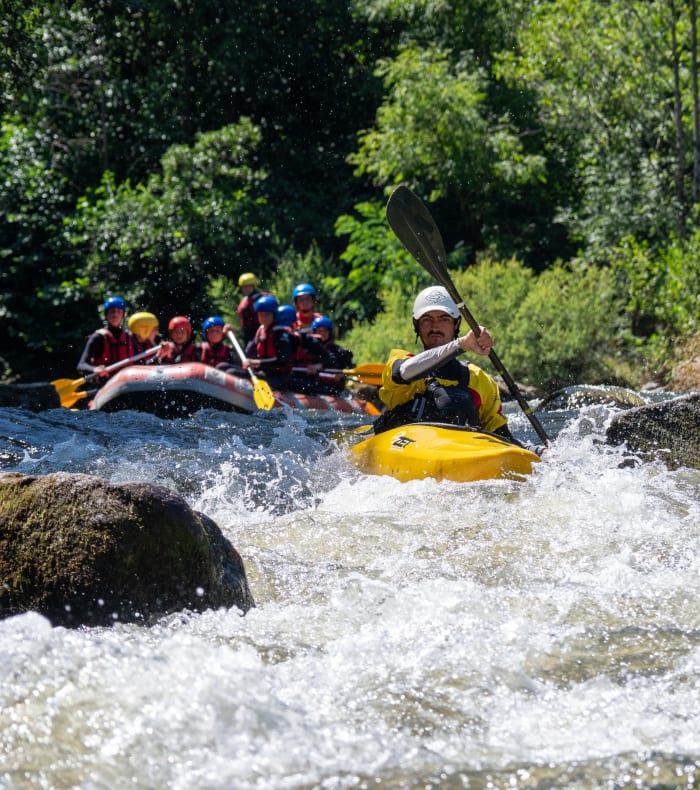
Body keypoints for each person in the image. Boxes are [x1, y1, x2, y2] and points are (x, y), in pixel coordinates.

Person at [373, 285, 515, 440]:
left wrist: (540, 452)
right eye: (427, 319)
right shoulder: (399, 361)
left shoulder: (479, 379)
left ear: (456, 324)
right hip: (407, 449)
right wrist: (462, 344)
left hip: (463, 453)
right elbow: (405, 371)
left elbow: (503, 438)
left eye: (444, 319)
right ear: (417, 326)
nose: (435, 326)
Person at [241, 295, 295, 390]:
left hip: (279, 377)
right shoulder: (261, 330)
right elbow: (248, 353)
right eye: (260, 314)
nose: (263, 317)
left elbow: (282, 360)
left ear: (274, 315)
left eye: (267, 314)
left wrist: (257, 362)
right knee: (226, 367)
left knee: (238, 373)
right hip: (264, 372)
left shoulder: (280, 333)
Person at [77, 295, 136, 382]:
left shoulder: (129, 337)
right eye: (112, 312)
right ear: (106, 315)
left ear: (123, 315)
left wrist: (158, 356)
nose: (115, 315)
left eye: (119, 312)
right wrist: (95, 369)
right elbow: (81, 366)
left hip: (126, 384)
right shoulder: (98, 337)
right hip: (104, 384)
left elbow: (142, 361)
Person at [236, 273, 266, 345]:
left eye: (248, 286)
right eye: (244, 287)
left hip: (261, 330)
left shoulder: (262, 298)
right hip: (248, 334)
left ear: (253, 286)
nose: (246, 289)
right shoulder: (244, 301)